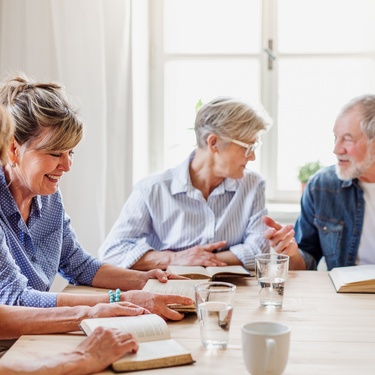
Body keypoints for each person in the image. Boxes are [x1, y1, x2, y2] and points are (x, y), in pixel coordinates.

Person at [0, 74, 193, 319]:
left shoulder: (48, 198)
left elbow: (76, 263)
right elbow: (15, 298)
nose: (67, 165)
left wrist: (144, 280)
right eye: (55, 153)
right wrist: (119, 299)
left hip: (36, 331)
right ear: (13, 149)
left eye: (71, 152)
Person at [99, 97, 271, 271]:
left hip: (234, 292)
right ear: (214, 143)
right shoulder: (152, 190)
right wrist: (175, 258)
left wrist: (199, 259)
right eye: (248, 148)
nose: (252, 157)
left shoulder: (253, 185)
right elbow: (112, 252)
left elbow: (259, 250)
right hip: (169, 291)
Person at [263, 94, 375, 271]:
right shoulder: (322, 186)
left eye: (347, 139)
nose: (336, 149)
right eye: (335, 137)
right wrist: (291, 252)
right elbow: (305, 263)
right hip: (344, 296)